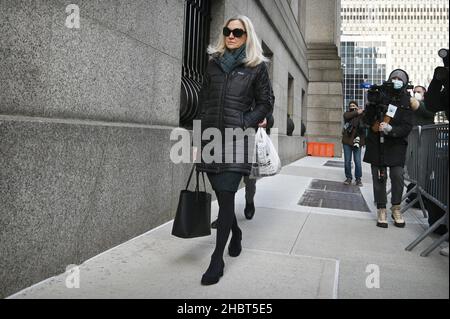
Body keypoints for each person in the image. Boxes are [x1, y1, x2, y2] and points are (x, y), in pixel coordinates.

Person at [195, 15, 274, 285]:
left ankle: (217, 260)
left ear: (247, 36)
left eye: (237, 32)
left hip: (238, 140)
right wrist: (198, 139)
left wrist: (244, 121)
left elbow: (266, 103)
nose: (231, 35)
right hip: (211, 139)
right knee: (222, 195)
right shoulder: (213, 64)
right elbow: (203, 102)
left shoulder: (256, 67)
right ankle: (236, 233)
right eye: (227, 31)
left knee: (227, 197)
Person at [363, 69, 414, 228]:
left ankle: (396, 207)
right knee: (379, 177)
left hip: (396, 144)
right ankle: (381, 209)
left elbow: (407, 125)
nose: (397, 80)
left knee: (398, 176)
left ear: (405, 82)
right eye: (394, 78)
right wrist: (371, 104)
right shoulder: (380, 94)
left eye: (400, 78)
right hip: (377, 143)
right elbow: (367, 119)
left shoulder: (407, 100)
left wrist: (392, 130)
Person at [210, 112, 274, 229]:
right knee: (226, 183)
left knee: (250, 181)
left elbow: (268, 111)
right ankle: (223, 217)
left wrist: (267, 121)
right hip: (230, 140)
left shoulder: (256, 95)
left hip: (251, 143)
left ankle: (249, 202)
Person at [342, 101, 365, 186]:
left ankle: (358, 179)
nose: (352, 107)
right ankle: (348, 178)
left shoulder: (361, 115)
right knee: (347, 161)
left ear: (357, 107)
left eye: (354, 106)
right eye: (351, 106)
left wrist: (360, 112)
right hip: (347, 141)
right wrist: (356, 112)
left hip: (357, 142)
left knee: (357, 161)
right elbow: (347, 116)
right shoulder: (347, 114)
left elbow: (365, 122)